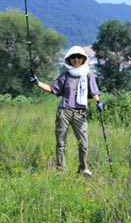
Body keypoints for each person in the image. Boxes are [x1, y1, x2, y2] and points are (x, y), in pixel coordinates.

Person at [29, 45, 101, 175]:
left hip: (80, 113)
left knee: (83, 143)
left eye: (79, 57)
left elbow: (94, 92)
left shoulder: (88, 75)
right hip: (64, 112)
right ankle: (61, 170)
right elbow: (52, 89)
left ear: (83, 59)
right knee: (61, 143)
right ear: (69, 59)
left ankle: (83, 169)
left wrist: (98, 103)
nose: (76, 59)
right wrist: (37, 82)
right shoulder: (65, 76)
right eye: (73, 57)